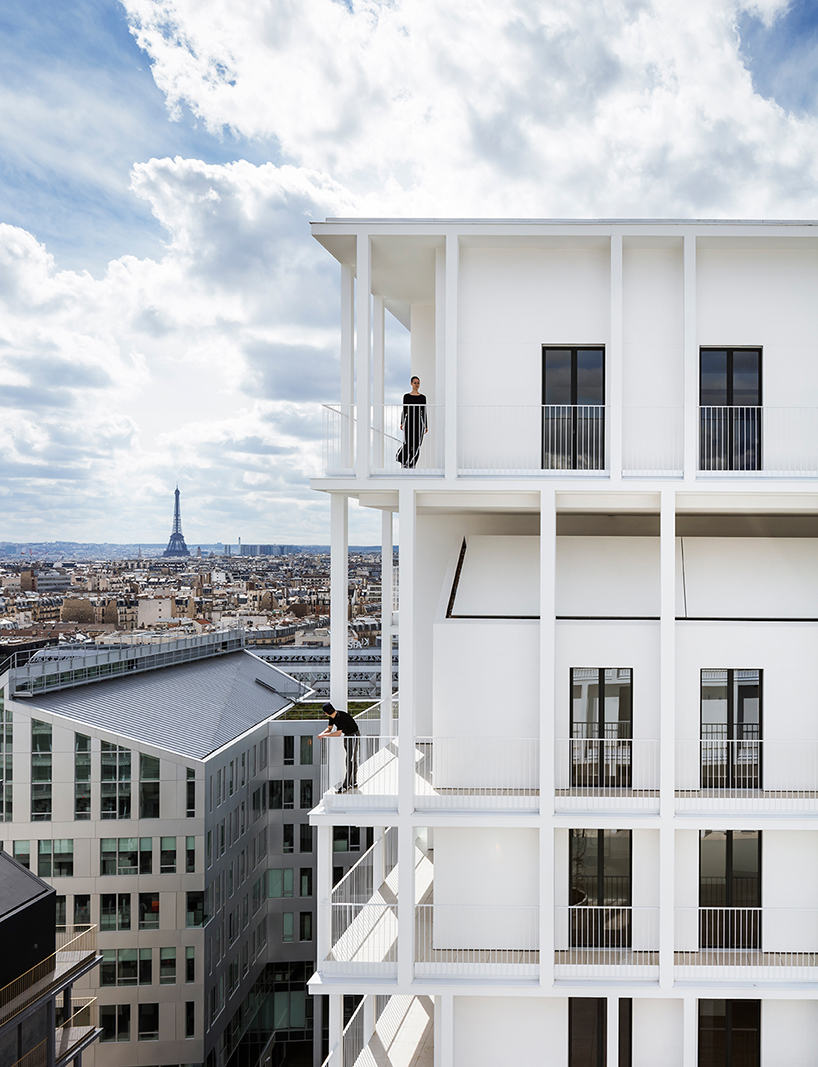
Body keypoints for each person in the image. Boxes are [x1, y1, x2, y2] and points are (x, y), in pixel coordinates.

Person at [318, 701, 360, 792]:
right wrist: (322, 734)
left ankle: (346, 785)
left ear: (326, 713)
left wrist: (324, 735)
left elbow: (338, 733)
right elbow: (329, 728)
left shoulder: (341, 717)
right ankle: (353, 782)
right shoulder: (333, 716)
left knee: (350, 760)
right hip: (347, 736)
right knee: (351, 759)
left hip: (353, 736)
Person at [397, 376, 427, 468]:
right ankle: (403, 461)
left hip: (418, 421)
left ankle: (412, 463)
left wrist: (425, 425)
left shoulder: (422, 397)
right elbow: (404, 410)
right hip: (409, 421)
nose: (416, 385)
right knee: (408, 442)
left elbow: (424, 412)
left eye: (418, 383)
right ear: (411, 384)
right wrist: (402, 422)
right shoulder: (406, 396)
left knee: (417, 444)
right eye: (415, 383)